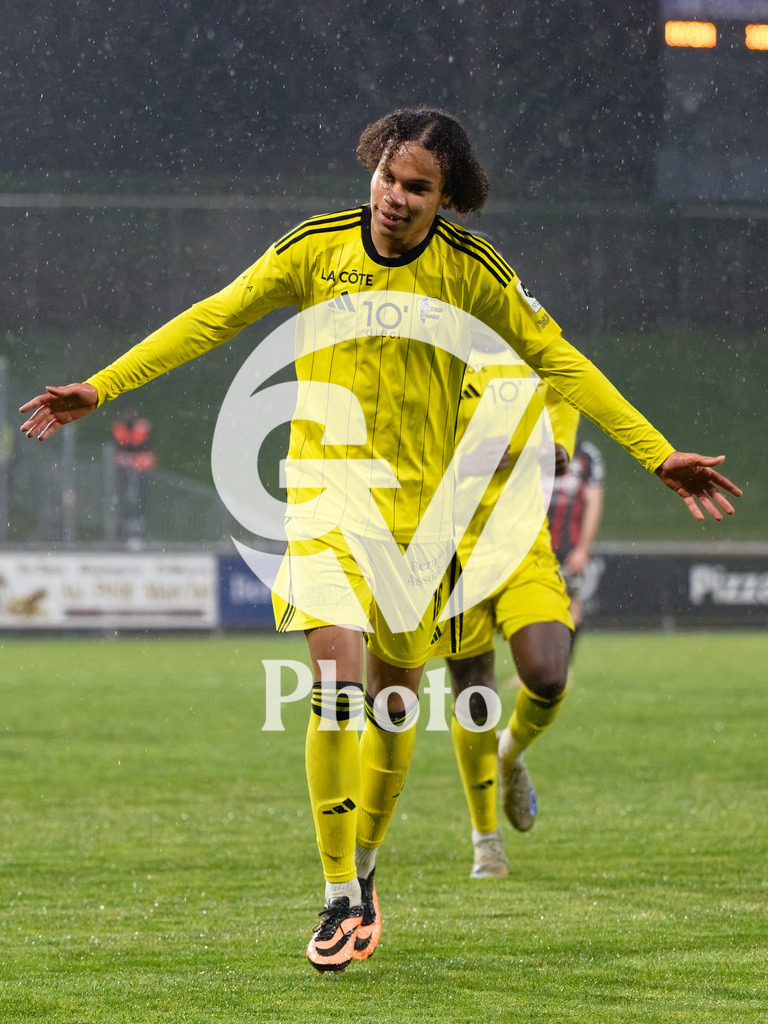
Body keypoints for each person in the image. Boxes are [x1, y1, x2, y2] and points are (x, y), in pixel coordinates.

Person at [19, 107, 741, 973]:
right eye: (388, 177)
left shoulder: (473, 273)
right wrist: (102, 386)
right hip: (325, 502)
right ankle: (338, 897)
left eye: (418, 188)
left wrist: (655, 453)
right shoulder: (316, 248)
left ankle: (363, 865)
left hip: (421, 527)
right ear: (373, 168)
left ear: (447, 199)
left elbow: (560, 361)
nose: (395, 197)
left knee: (396, 703)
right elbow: (215, 316)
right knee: (336, 683)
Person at [432, 339, 580, 879]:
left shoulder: (528, 342)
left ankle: (509, 753)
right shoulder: (431, 351)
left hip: (522, 545)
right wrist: (460, 461)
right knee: (474, 696)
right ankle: (486, 841)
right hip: (451, 552)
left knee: (547, 675)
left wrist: (558, 443)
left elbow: (568, 387)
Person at [548, 436, 605, 631]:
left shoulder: (586, 454)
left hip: (568, 545)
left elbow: (594, 502)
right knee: (536, 606)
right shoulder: (531, 445)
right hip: (534, 544)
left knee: (571, 602)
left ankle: (564, 652)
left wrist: (582, 549)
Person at [110, 407, 157, 541]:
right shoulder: (120, 428)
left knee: (139, 497)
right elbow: (121, 444)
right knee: (128, 498)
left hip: (141, 467)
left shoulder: (142, 427)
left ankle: (137, 524)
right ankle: (128, 526)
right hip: (127, 468)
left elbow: (143, 444)